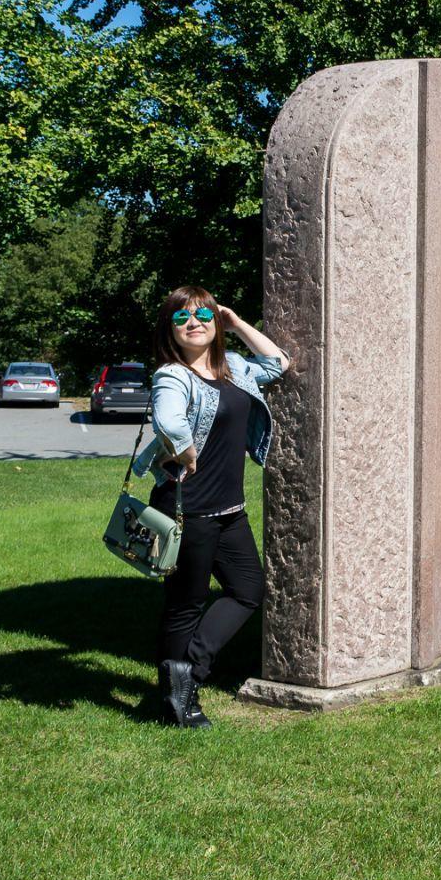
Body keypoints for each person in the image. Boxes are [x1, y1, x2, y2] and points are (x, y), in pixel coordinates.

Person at [133, 286, 291, 728]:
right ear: (171, 330)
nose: (195, 322)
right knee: (186, 604)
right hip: (188, 509)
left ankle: (185, 676)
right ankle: (176, 702)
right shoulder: (173, 374)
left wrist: (237, 323)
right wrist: (184, 449)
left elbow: (278, 363)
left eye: (203, 313)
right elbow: (167, 418)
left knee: (248, 590)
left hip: (228, 509)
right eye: (182, 318)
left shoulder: (234, 369)